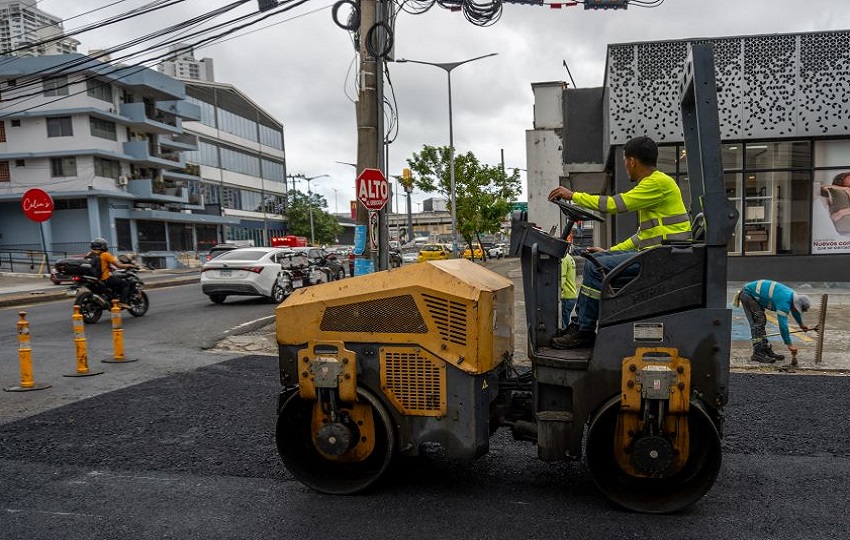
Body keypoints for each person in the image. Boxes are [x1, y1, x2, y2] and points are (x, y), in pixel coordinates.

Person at [547, 136, 692, 349]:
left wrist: (573, 195)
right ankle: (582, 325)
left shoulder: (657, 183)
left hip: (660, 258)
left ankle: (584, 330)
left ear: (631, 161)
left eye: (625, 162)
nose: (625, 167)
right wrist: (610, 252)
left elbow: (614, 204)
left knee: (594, 267)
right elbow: (641, 237)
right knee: (596, 260)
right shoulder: (656, 184)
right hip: (660, 255)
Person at [736, 280, 810, 363]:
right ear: (795, 304)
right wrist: (789, 345)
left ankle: (764, 349)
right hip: (748, 294)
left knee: (761, 321)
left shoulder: (792, 297)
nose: (794, 310)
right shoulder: (784, 302)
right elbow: (783, 326)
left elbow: (795, 312)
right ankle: (757, 353)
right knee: (758, 322)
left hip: (752, 293)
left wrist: (801, 325)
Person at [88, 237, 137, 308]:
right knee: (125, 283)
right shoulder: (105, 255)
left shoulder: (90, 254)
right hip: (105, 279)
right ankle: (122, 302)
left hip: (95, 279)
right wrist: (130, 265)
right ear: (103, 246)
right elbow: (119, 266)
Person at [560, 252, 578, 333]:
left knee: (563, 325)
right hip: (572, 295)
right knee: (565, 323)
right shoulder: (570, 258)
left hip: (566, 296)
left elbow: (562, 278)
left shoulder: (563, 259)